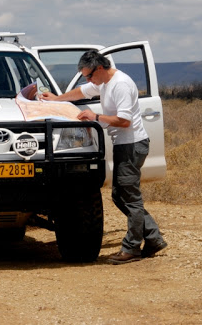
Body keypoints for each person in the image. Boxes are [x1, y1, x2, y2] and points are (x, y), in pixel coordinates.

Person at [41, 50, 167, 264]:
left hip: (131, 144)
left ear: (100, 68)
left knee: (129, 197)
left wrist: (95, 117)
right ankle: (153, 238)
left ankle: (132, 248)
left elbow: (124, 121)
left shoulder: (120, 84)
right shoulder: (103, 82)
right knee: (120, 195)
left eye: (89, 75)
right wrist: (57, 99)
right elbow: (82, 92)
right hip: (124, 144)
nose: (88, 80)